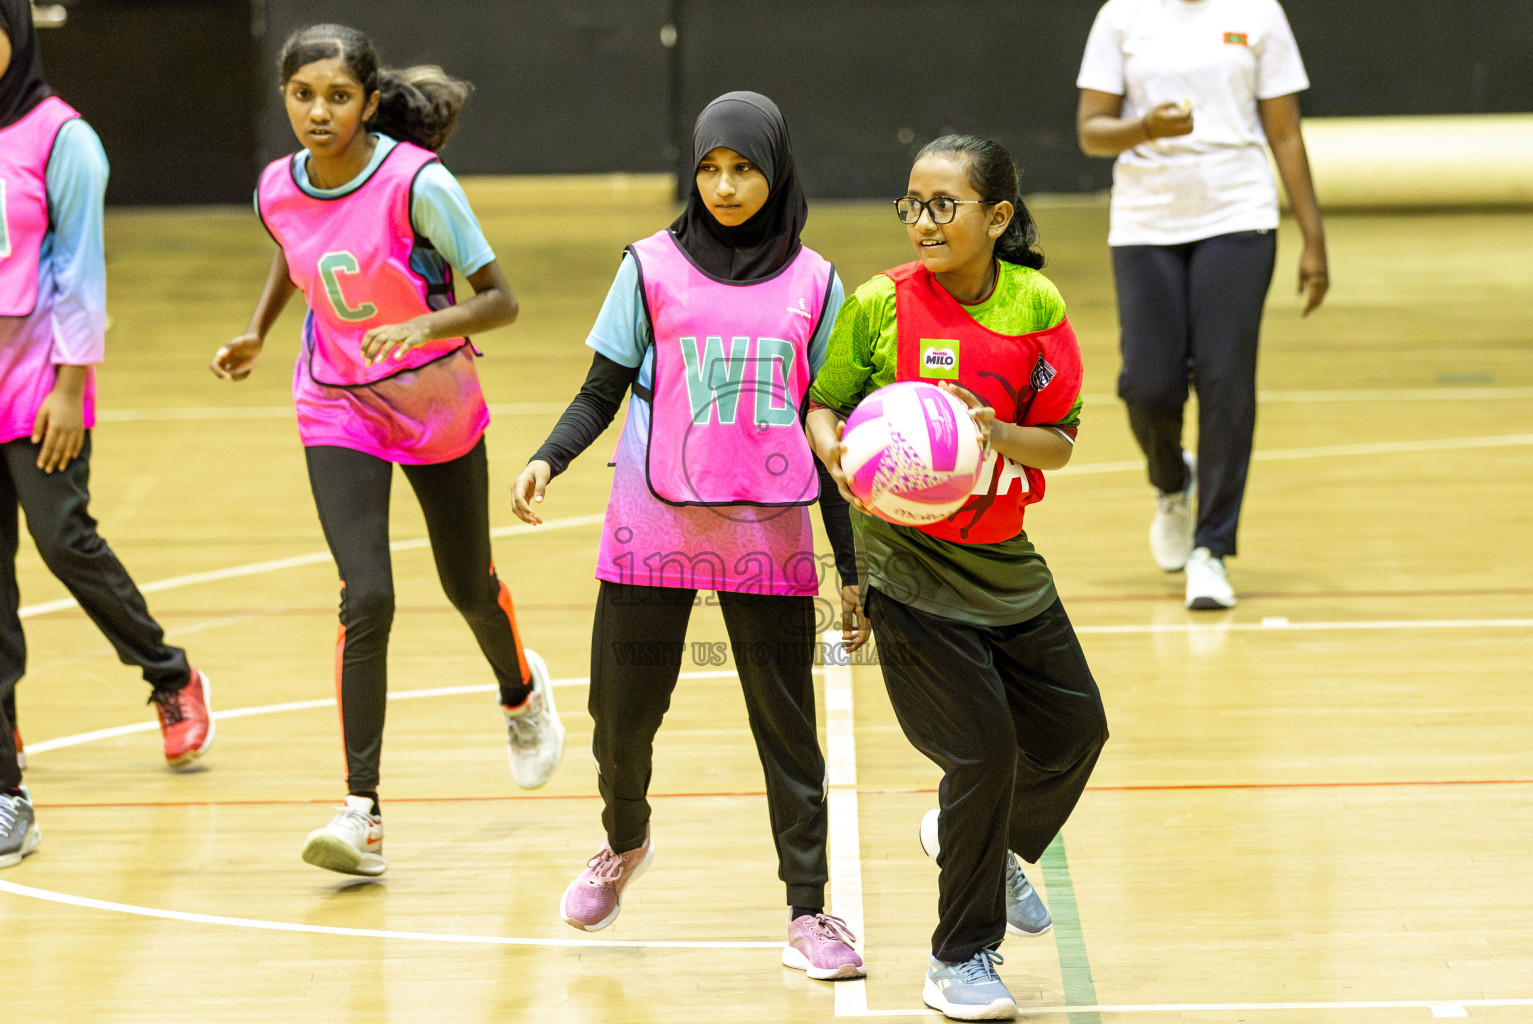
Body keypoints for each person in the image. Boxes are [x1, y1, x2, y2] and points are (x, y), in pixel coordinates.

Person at [511, 91, 867, 980]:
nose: (725, 185)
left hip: (768, 529)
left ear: (775, 169)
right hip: (652, 521)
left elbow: (828, 433)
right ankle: (623, 843)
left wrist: (853, 570)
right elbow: (601, 388)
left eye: (743, 167)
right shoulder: (647, 267)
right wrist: (549, 458)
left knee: (786, 728)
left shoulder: (817, 283)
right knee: (619, 720)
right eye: (710, 167)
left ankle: (808, 910)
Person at [211, 24, 562, 877]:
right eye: (302, 96)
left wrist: (424, 324)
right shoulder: (275, 187)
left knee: (465, 584)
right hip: (337, 402)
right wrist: (258, 333)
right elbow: (296, 255)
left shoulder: (418, 184)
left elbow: (501, 301)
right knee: (365, 596)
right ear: (284, 97)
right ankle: (361, 811)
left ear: (369, 103)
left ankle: (520, 690)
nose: (318, 112)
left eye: (338, 96)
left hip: (436, 401)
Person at [806, 135, 1109, 1021]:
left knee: (1074, 729)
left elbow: (1057, 436)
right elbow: (823, 405)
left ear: (997, 216)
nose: (923, 221)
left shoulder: (1033, 305)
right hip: (909, 567)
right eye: (912, 204)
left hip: (1002, 560)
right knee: (978, 751)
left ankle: (980, 840)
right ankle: (959, 960)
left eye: (944, 204)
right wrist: (836, 449)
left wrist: (991, 435)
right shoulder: (878, 304)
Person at [0, 0, 213, 869]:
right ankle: (7, 786)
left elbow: (79, 272)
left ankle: (169, 674)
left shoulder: (63, 140)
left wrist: (69, 384)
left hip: (38, 379)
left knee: (63, 539)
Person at [1076, 0, 1328, 609]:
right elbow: (1091, 131)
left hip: (1237, 215)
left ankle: (1211, 549)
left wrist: (1313, 237)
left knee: (1225, 382)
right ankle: (1171, 482)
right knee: (1148, 385)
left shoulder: (1259, 13)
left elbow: (1284, 130)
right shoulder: (1122, 17)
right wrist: (1145, 131)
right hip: (1146, 220)